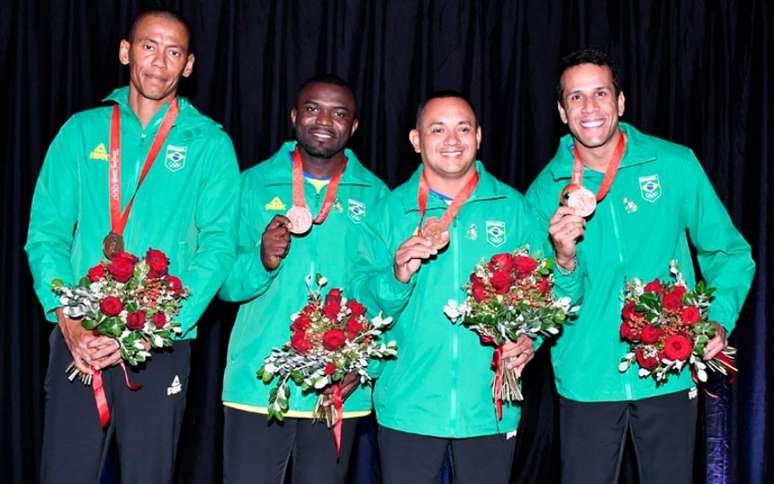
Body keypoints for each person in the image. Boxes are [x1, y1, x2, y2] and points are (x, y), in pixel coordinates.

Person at [24, 8, 239, 483]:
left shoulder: (209, 144)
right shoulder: (81, 131)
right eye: (148, 46)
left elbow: (219, 248)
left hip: (159, 345)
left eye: (173, 51)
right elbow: (47, 234)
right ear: (126, 52)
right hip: (80, 337)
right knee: (63, 473)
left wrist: (154, 327)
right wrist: (69, 315)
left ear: (188, 65)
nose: (159, 62)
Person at [525, 48, 755, 484]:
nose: (589, 108)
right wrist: (564, 258)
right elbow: (547, 306)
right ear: (561, 110)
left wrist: (718, 319)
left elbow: (729, 254)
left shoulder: (674, 164)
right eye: (576, 97)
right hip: (586, 379)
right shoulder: (542, 194)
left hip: (665, 372)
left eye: (600, 93)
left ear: (621, 102)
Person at [351, 91, 584, 483]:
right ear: (415, 140)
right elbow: (359, 310)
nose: (452, 140)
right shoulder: (389, 213)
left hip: (489, 409)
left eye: (463, 128)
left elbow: (556, 299)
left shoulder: (513, 209)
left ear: (479, 137)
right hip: (408, 407)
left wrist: (530, 340)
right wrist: (396, 277)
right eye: (437, 129)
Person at [219, 74, 389, 484]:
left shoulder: (377, 195)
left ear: (354, 126)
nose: (324, 121)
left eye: (339, 113)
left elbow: (389, 293)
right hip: (256, 386)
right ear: (295, 115)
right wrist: (260, 260)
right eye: (313, 109)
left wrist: (367, 365)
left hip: (336, 389)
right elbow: (222, 284)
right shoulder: (251, 184)